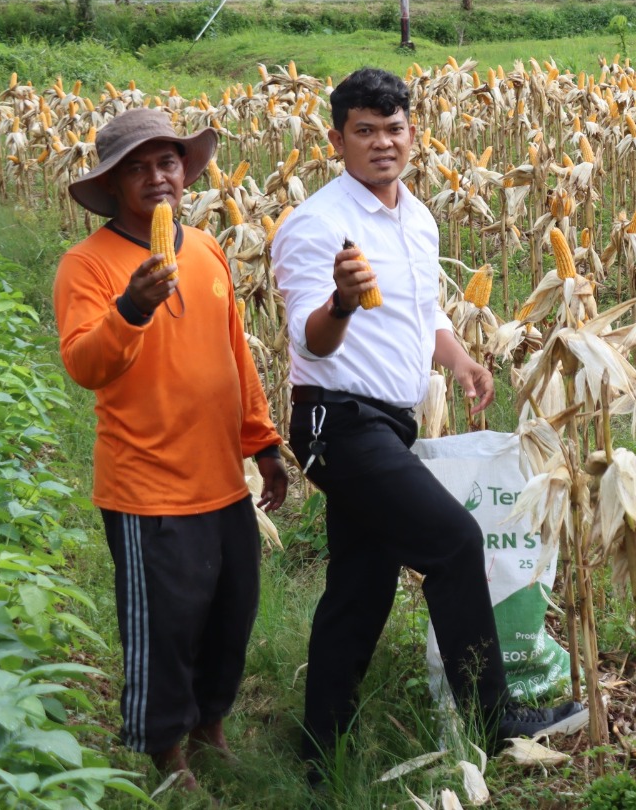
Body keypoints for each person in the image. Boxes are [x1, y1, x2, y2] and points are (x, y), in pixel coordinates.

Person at [270, 68, 583, 780]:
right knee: (453, 542)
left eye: (395, 128)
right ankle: (492, 718)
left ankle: (322, 748)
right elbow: (311, 342)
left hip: (389, 423)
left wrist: (461, 359)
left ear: (413, 134)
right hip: (337, 424)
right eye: (365, 130)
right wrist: (341, 303)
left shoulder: (416, 215)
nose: (383, 142)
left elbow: (424, 311)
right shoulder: (315, 225)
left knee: (362, 584)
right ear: (336, 141)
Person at [53, 108, 287, 793]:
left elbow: (235, 353)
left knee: (228, 616)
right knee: (165, 629)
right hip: (146, 487)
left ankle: (210, 728)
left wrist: (262, 443)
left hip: (223, 479)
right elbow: (84, 364)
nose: (157, 177)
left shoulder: (207, 248)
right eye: (137, 167)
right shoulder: (87, 265)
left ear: (185, 171)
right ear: (112, 183)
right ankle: (163, 752)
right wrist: (131, 308)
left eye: (167, 162)